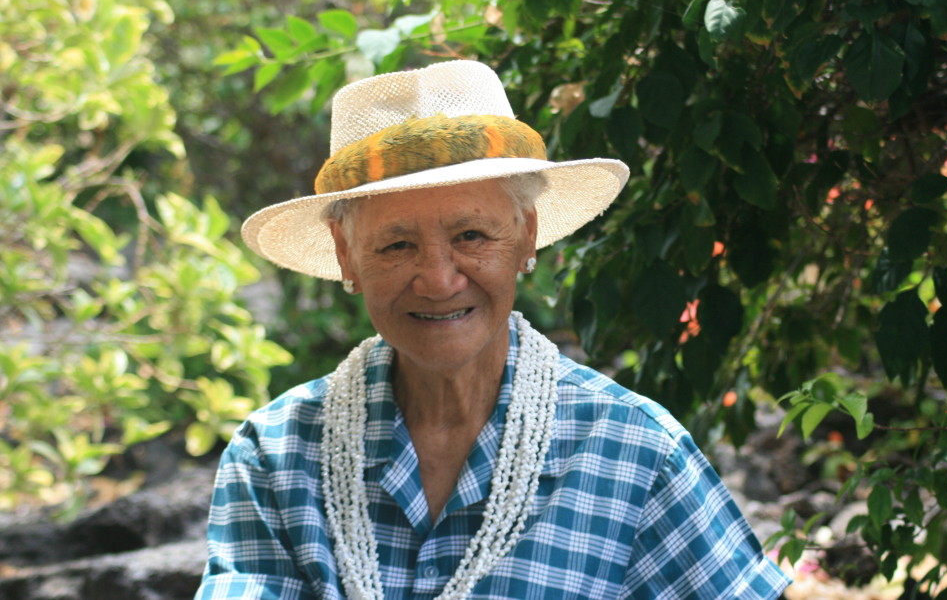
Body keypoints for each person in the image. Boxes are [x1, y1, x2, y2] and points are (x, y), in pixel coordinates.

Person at [195, 60, 791, 599]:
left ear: (526, 236)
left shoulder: (634, 452)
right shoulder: (277, 455)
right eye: (397, 245)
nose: (438, 279)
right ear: (347, 257)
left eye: (471, 236)